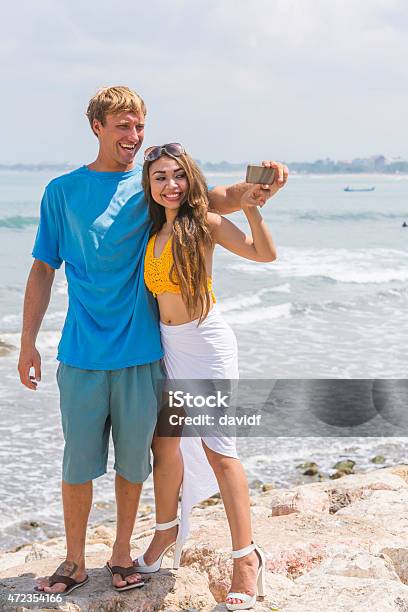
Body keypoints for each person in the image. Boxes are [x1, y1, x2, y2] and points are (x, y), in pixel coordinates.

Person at [17, 86, 288, 595]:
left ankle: (129, 555)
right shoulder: (63, 190)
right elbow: (42, 266)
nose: (133, 136)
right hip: (84, 352)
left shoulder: (149, 191)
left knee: (141, 461)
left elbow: (211, 197)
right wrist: (28, 340)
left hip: (148, 353)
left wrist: (261, 186)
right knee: (86, 462)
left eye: (139, 126)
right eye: (123, 126)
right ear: (96, 127)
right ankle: (76, 561)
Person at [134, 143, 287, 610]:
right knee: (165, 445)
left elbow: (265, 255)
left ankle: (246, 558)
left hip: (208, 346)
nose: (170, 184)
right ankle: (165, 534)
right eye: (160, 177)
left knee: (220, 451)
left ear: (190, 179)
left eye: (178, 175)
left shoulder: (204, 223)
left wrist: (252, 208)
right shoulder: (150, 231)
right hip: (169, 347)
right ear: (150, 185)